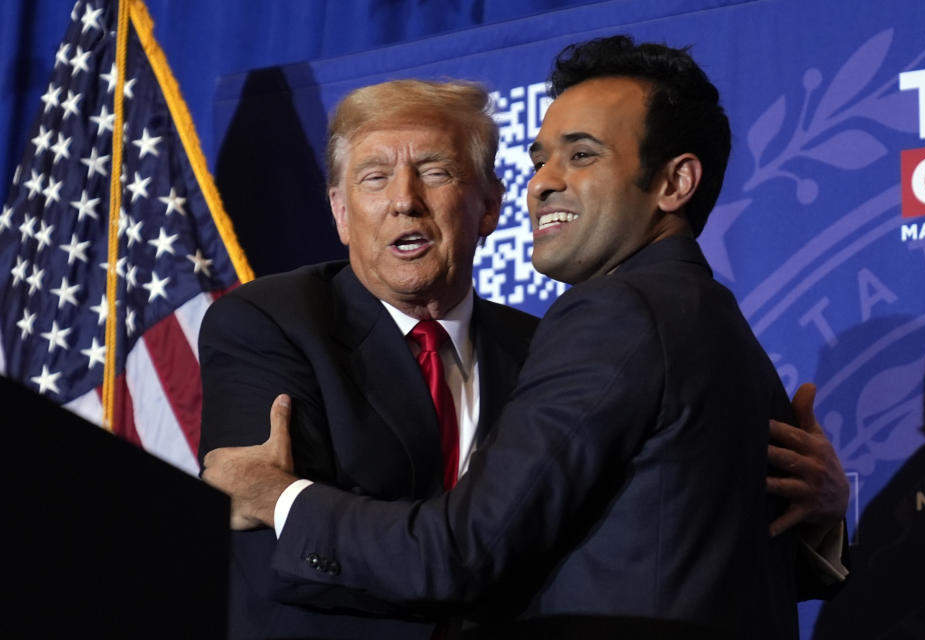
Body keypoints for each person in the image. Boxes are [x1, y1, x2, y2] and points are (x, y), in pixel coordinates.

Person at [203, 38, 848, 638]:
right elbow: (678, 546)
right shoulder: (267, 324)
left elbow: (468, 550)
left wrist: (279, 497)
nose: (545, 180)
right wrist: (821, 524)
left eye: (583, 154)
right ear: (339, 212)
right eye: (542, 158)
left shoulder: (601, 325)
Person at [197, 80, 539, 638]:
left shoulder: (541, 349)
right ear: (341, 213)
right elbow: (287, 556)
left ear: (490, 207)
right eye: (375, 177)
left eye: (435, 171)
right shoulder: (269, 322)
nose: (405, 199)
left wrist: (295, 500)